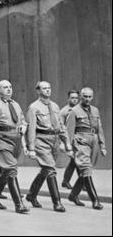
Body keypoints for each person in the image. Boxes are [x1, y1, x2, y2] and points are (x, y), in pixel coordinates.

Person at [25, 81, 71, 212]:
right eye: (44, 88)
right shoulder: (34, 107)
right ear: (38, 91)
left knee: (46, 169)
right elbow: (31, 128)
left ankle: (31, 195)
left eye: (49, 88)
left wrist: (66, 141)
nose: (47, 90)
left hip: (54, 141)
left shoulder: (55, 106)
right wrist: (32, 148)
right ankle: (57, 202)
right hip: (41, 141)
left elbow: (61, 126)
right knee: (50, 170)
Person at [0, 80, 29, 214]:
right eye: (5, 87)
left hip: (16, 140)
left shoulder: (15, 104)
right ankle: (19, 204)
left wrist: (24, 129)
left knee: (5, 171)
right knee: (11, 170)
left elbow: (23, 122)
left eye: (10, 87)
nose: (9, 89)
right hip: (1, 139)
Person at [66, 87, 106, 210]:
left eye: (89, 97)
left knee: (87, 170)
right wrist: (69, 147)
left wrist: (102, 145)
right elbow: (69, 130)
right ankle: (95, 200)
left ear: (92, 97)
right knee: (86, 168)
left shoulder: (95, 110)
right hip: (81, 141)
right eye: (85, 96)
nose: (87, 99)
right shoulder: (74, 111)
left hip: (93, 141)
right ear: (81, 97)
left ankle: (73, 195)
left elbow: (99, 128)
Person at [60, 90, 80, 190]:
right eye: (72, 98)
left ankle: (65, 181)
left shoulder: (80, 110)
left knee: (75, 161)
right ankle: (83, 182)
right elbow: (60, 127)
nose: (74, 100)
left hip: (79, 139)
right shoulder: (64, 111)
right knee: (77, 160)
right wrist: (63, 143)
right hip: (70, 139)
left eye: (76, 98)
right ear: (68, 98)